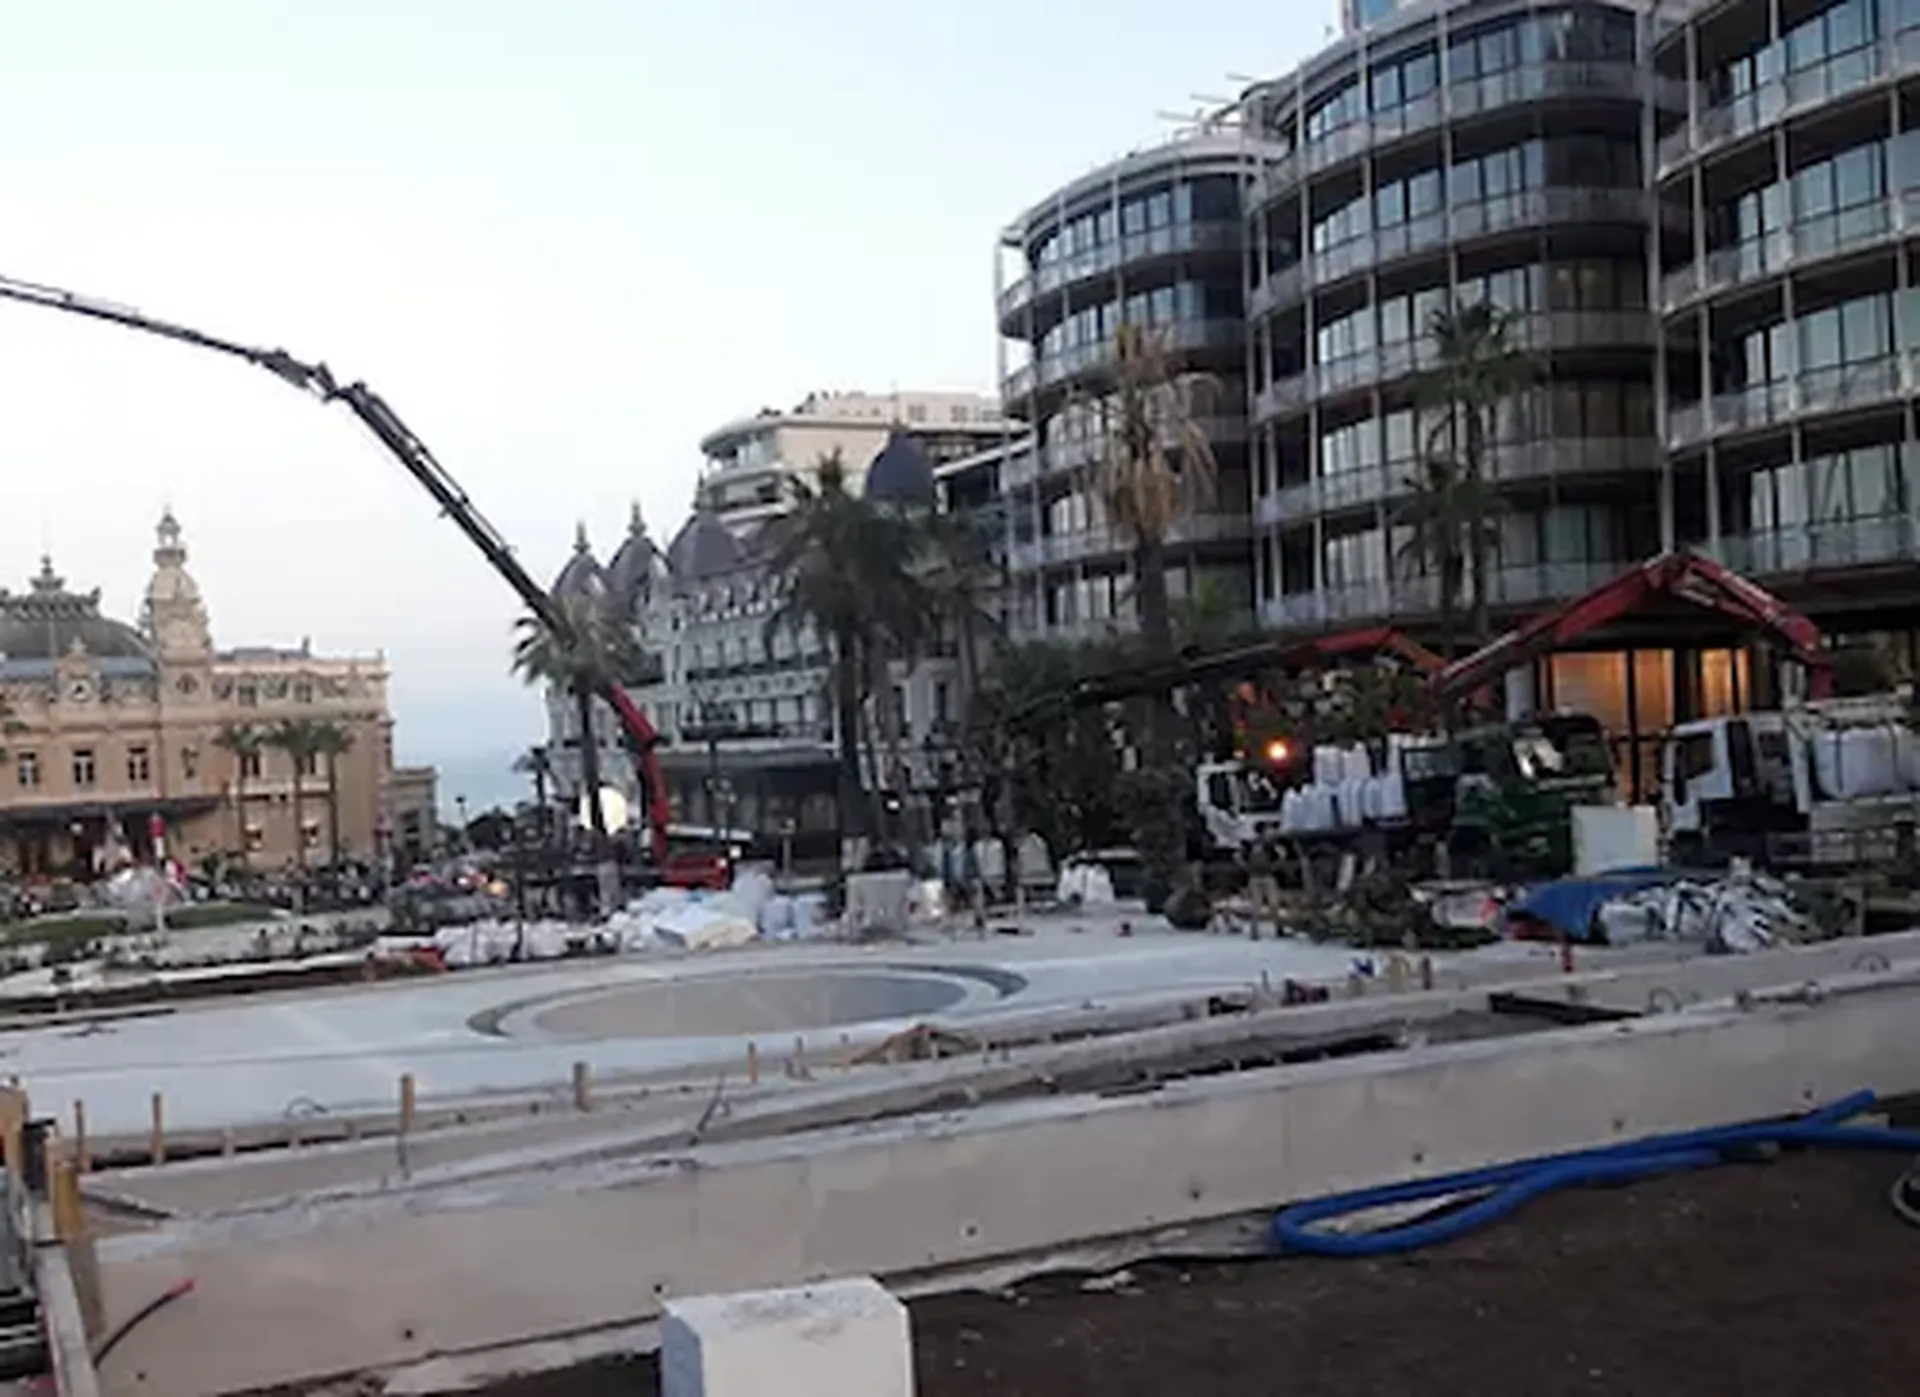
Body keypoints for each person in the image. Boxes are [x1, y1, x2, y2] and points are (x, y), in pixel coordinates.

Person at [1245, 838, 1281, 941]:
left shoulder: (1267, 854)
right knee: (1256, 905)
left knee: (1274, 903)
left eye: (1259, 845)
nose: (1257, 848)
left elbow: (1275, 863)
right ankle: (1254, 930)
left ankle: (1278, 927)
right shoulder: (1250, 855)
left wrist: (1281, 856)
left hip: (1267, 877)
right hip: (1255, 878)